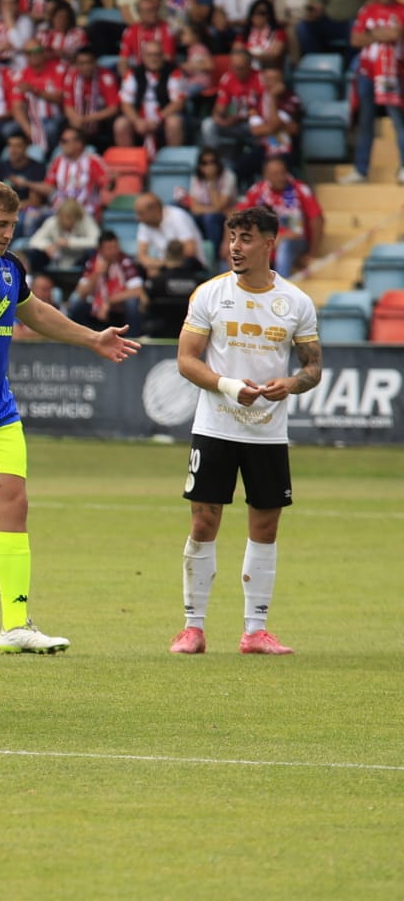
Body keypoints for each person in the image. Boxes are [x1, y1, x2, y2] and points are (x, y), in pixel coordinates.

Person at [0, 180, 142, 657]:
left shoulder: (9, 268)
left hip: (0, 412)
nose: (8, 234)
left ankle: (15, 625)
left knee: (14, 506)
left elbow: (35, 312)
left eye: (13, 225)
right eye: (1, 225)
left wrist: (92, 338)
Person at [170, 205, 321, 657]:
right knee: (204, 520)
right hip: (216, 426)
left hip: (268, 433)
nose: (236, 246)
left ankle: (255, 630)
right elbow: (186, 359)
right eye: (232, 237)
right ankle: (192, 627)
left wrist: (291, 383)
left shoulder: (296, 302)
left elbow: (312, 366)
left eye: (247, 238)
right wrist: (229, 386)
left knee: (266, 524)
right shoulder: (210, 295)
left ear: (270, 243)